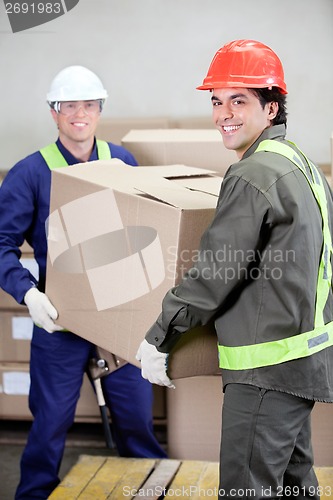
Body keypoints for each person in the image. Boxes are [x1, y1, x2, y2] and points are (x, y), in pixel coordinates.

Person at [136, 40, 333, 499]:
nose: (224, 113)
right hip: (299, 363)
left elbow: (214, 273)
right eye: (216, 101)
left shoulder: (253, 173)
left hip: (265, 370)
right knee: (292, 486)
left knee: (246, 490)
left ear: (272, 107)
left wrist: (158, 336)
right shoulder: (303, 166)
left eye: (239, 100)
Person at [0, 65, 166, 500]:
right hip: (60, 318)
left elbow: (146, 233)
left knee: (135, 418)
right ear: (54, 113)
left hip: (120, 317)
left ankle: (149, 490)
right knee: (51, 420)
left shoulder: (121, 162)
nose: (79, 114)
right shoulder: (30, 173)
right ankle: (34, 493)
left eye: (88, 105)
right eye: (69, 105)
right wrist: (28, 293)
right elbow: (0, 244)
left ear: (99, 110)